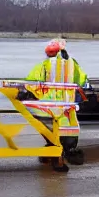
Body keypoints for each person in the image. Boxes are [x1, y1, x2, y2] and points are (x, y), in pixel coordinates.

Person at [25, 39, 89, 170]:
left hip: (49, 105)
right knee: (70, 127)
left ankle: (54, 153)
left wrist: (33, 94)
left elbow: (31, 83)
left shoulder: (45, 65)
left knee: (47, 128)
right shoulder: (72, 64)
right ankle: (68, 151)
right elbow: (82, 81)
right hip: (68, 104)